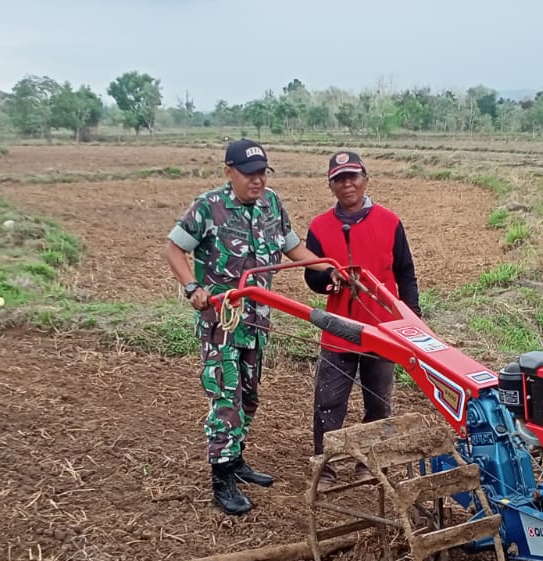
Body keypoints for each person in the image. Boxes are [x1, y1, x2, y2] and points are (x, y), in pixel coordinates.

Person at [165, 139, 340, 516]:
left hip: (257, 320)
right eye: (249, 174)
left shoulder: (271, 204)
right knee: (225, 397)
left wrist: (328, 267)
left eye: (262, 173)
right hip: (221, 322)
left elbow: (294, 249)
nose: (257, 181)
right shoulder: (209, 207)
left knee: (249, 395)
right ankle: (221, 477)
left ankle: (237, 460)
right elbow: (174, 249)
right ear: (229, 172)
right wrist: (192, 286)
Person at [302, 150, 422, 483]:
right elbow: (310, 277)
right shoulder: (320, 227)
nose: (347, 184)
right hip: (339, 328)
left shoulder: (389, 221)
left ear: (365, 179)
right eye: (339, 179)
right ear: (331, 186)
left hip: (382, 329)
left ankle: (371, 462)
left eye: (352, 176)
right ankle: (324, 466)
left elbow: (405, 274)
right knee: (329, 401)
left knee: (379, 400)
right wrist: (328, 279)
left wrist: (411, 321)